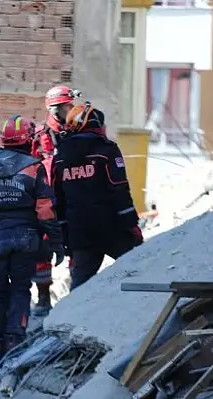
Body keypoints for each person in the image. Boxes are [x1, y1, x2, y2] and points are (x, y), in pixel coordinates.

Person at [0, 115, 64, 365]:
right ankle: (15, 347)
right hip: (25, 239)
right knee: (19, 290)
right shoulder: (34, 166)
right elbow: (45, 208)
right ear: (29, 140)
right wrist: (56, 241)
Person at [51, 103, 143, 290]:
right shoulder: (107, 150)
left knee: (79, 290)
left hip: (80, 233)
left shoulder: (59, 158)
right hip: (112, 229)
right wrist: (132, 225)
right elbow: (118, 189)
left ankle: (69, 319)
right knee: (140, 273)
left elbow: (57, 200)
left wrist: (65, 235)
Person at [30, 126, 58, 317]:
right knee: (42, 258)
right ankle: (43, 298)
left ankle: (43, 298)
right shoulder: (47, 163)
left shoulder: (38, 165)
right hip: (48, 213)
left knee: (42, 257)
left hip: (43, 214)